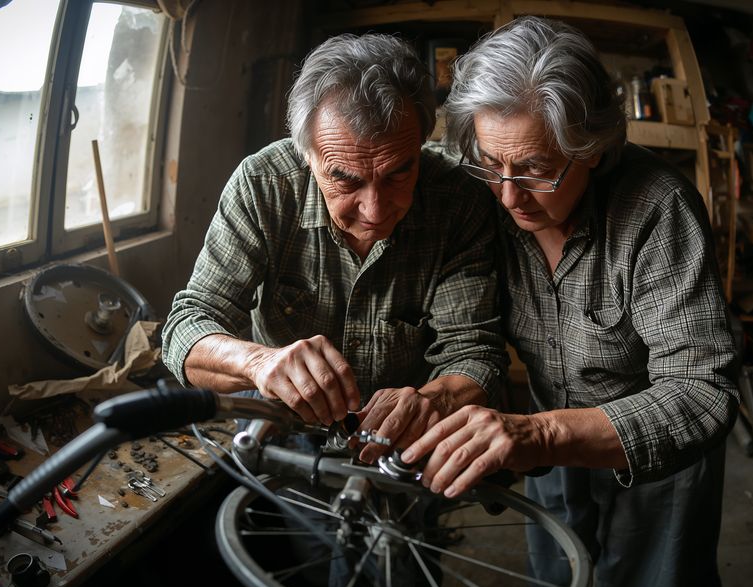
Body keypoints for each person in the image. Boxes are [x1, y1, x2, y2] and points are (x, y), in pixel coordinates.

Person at [402, 17, 739, 587]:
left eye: (536, 169)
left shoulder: (658, 208)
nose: (509, 196)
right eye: (491, 164)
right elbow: (367, 155)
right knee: (556, 586)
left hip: (653, 448)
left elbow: (702, 393)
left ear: (594, 148)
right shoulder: (482, 188)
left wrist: (542, 434)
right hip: (544, 440)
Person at [161, 33, 506, 464]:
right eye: (345, 179)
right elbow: (185, 330)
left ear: (421, 141)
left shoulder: (457, 199)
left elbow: (475, 353)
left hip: (402, 436)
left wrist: (431, 400)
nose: (375, 210)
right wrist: (258, 363)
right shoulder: (263, 187)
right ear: (307, 156)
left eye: (399, 174)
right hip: (278, 421)